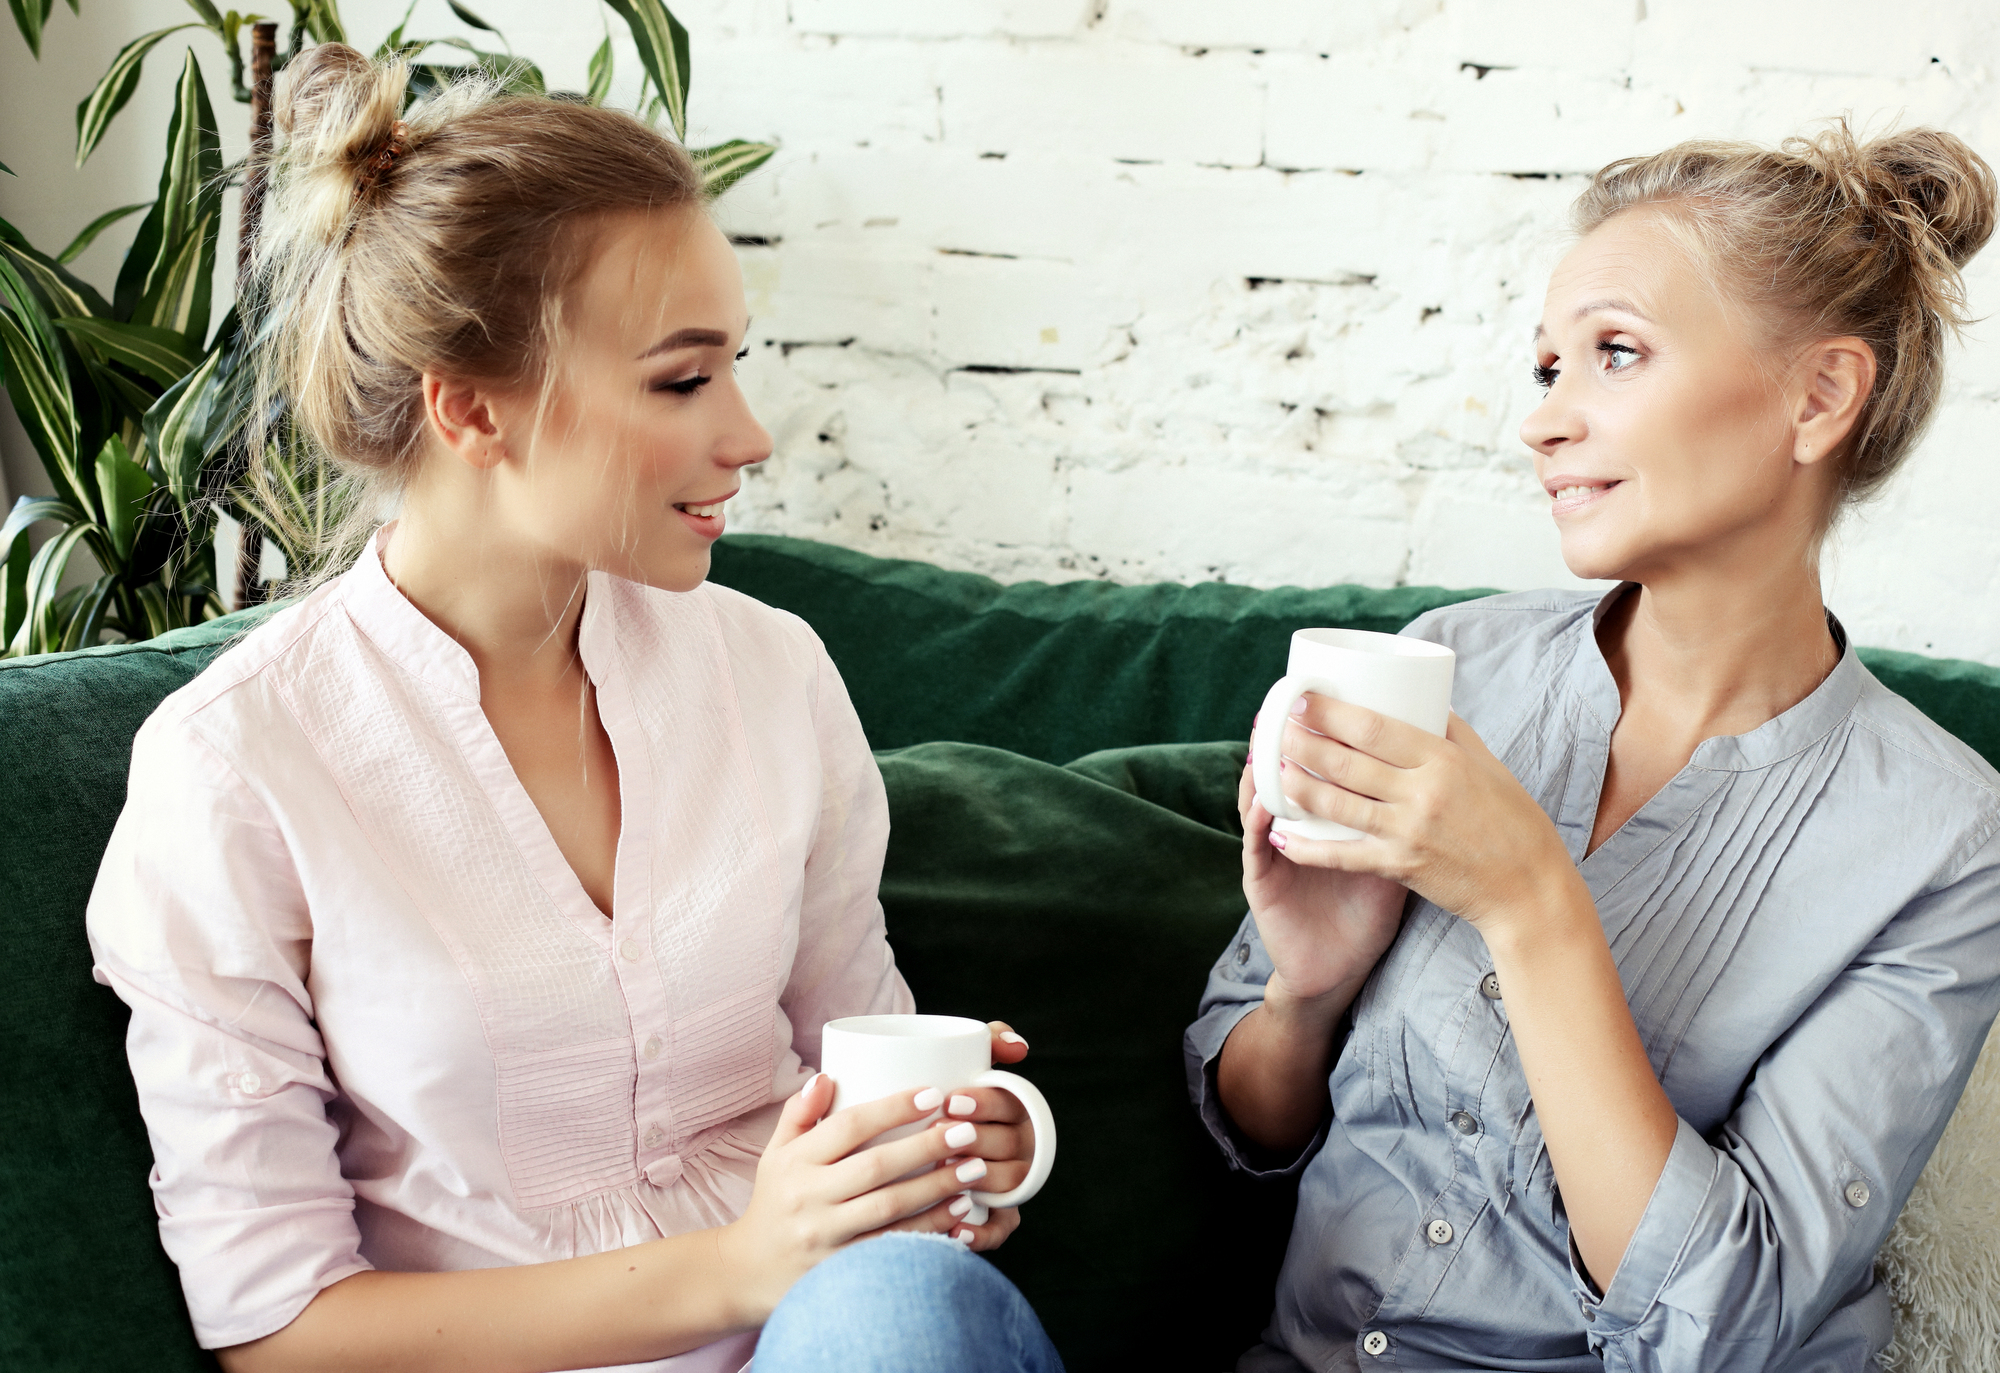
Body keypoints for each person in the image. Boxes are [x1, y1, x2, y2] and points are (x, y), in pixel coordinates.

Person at [85, 45, 1060, 1373]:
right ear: (471, 410)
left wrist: (935, 1153)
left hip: (841, 1347)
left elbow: (858, 1069)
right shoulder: (234, 769)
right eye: (681, 379)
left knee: (904, 1314)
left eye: (734, 367)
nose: (749, 433)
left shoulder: (774, 677)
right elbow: (278, 1326)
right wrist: (741, 1261)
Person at [1189, 123, 2000, 1372]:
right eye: (1547, 367)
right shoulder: (1448, 663)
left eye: (1613, 353)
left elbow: (1724, 1321)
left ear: (1817, 396)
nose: (1543, 422)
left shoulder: (1943, 840)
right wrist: (1308, 988)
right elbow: (1245, 1119)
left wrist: (1526, 898)